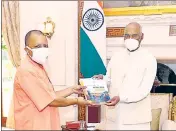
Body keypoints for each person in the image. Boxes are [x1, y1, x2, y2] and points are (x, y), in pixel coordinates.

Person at [13, 30, 92, 130]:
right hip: (32, 126)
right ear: (27, 50)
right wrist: (76, 101)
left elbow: (50, 95)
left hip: (45, 124)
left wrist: (72, 90)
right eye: (38, 46)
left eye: (45, 46)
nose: (43, 49)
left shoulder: (39, 67)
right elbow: (51, 100)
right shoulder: (26, 70)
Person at [94, 22, 157, 130]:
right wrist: (102, 79)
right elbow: (109, 79)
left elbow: (144, 90)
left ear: (142, 36)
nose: (130, 39)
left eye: (134, 35)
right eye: (127, 36)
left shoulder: (149, 59)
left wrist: (121, 98)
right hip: (114, 118)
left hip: (137, 121)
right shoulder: (116, 56)